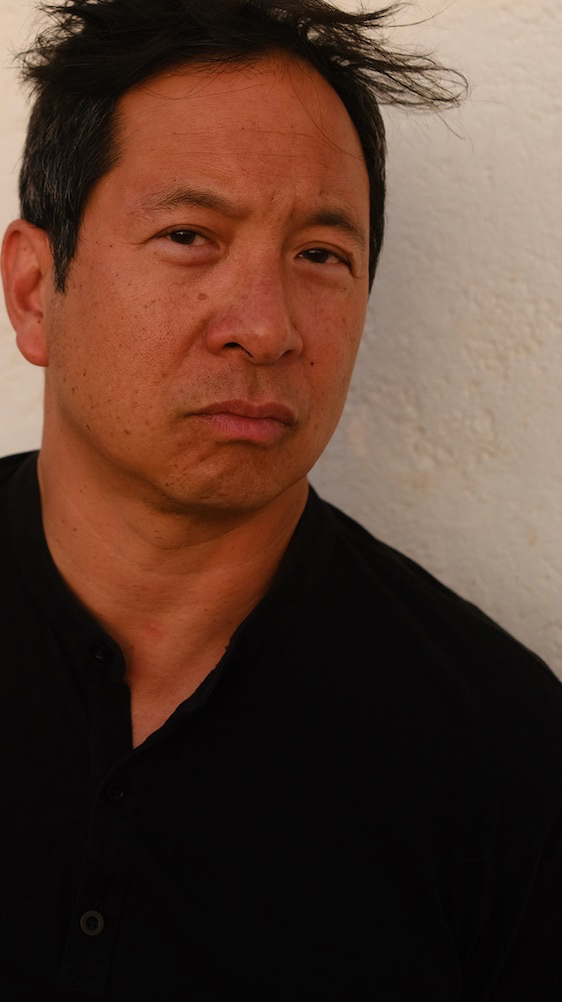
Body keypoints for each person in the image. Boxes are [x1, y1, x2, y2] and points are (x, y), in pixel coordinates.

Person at [1, 0, 561, 998]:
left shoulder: (507, 758)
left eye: (320, 256)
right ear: (36, 289)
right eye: (189, 236)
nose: (263, 328)